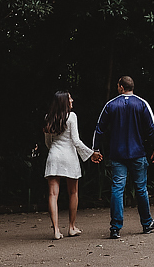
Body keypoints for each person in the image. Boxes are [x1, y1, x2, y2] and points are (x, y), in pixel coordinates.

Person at [91, 76, 154, 239]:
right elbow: (153, 128)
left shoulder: (111, 105)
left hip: (117, 154)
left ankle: (115, 228)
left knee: (117, 189)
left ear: (122, 87)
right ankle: (146, 223)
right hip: (137, 153)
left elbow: (99, 129)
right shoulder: (142, 104)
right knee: (141, 189)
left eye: (117, 85)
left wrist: (96, 149)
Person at [43, 90, 95, 240]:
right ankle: (71, 227)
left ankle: (56, 231)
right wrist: (91, 154)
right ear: (64, 102)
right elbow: (76, 141)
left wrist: (53, 150)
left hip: (54, 156)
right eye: (70, 99)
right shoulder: (71, 117)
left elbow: (48, 142)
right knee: (73, 192)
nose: (72, 101)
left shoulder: (48, 118)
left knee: (53, 195)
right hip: (69, 157)